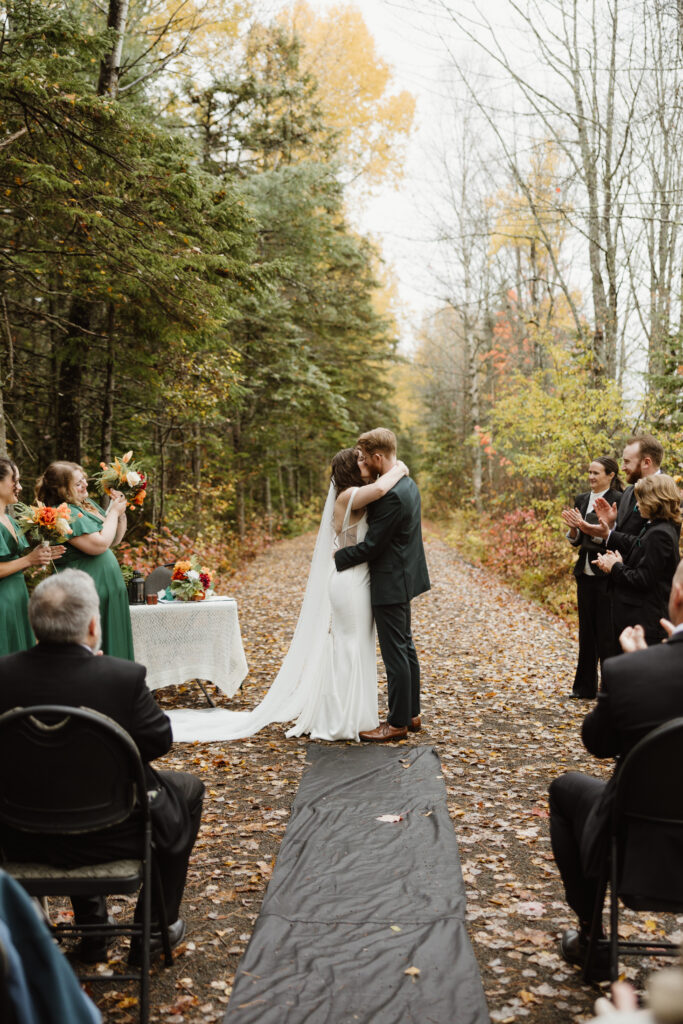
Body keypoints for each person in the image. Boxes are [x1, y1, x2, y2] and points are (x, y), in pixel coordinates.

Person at [0, 569, 204, 964]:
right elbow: (159, 741)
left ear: (34, 622)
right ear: (93, 625)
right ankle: (151, 934)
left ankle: (95, 930)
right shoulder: (121, 677)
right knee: (186, 791)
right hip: (115, 832)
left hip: (15, 835)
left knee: (62, 784)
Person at [163, 447, 410, 743]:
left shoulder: (356, 494)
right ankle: (341, 718)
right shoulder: (349, 496)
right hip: (350, 582)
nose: (364, 461)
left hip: (355, 577)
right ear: (350, 469)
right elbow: (383, 487)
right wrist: (400, 468)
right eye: (358, 459)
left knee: (355, 645)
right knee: (348, 645)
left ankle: (356, 714)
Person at [548, 560, 683, 981]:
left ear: (676, 598)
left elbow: (596, 742)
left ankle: (593, 939)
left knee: (564, 788)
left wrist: (633, 672)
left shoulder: (631, 671)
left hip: (635, 844)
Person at [334, 428, 431, 742]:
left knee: (395, 654)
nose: (364, 463)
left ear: (378, 457)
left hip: (390, 580)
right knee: (406, 647)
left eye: (366, 458)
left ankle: (398, 723)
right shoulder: (407, 482)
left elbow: (372, 547)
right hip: (403, 575)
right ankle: (412, 713)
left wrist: (338, 558)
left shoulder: (389, 496)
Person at [36, 461, 134, 659]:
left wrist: (120, 514)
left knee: (115, 644)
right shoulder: (62, 514)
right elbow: (99, 544)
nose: (85, 485)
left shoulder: (85, 506)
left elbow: (112, 539)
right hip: (90, 590)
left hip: (108, 588)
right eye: (78, 483)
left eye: (84, 481)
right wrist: (113, 512)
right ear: (63, 490)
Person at [593, 474, 681, 647]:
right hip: (638, 619)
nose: (637, 505)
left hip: (645, 623)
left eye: (641, 500)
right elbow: (637, 545)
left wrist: (615, 566)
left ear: (655, 501)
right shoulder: (655, 527)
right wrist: (609, 538)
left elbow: (643, 579)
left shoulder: (660, 533)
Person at [561, 458, 623, 698]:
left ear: (610, 475)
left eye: (596, 473)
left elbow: (611, 536)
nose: (591, 477)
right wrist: (575, 529)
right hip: (584, 571)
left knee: (606, 634)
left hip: (607, 571)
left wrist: (587, 528)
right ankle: (583, 687)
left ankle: (608, 690)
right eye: (589, 472)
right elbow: (577, 540)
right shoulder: (581, 498)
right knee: (586, 631)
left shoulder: (618, 499)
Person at [0, 457, 65, 656]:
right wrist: (29, 559)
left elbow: (11, 563)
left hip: (17, 598)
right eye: (15, 480)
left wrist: (39, 557)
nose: (19, 486)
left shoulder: (8, 519)